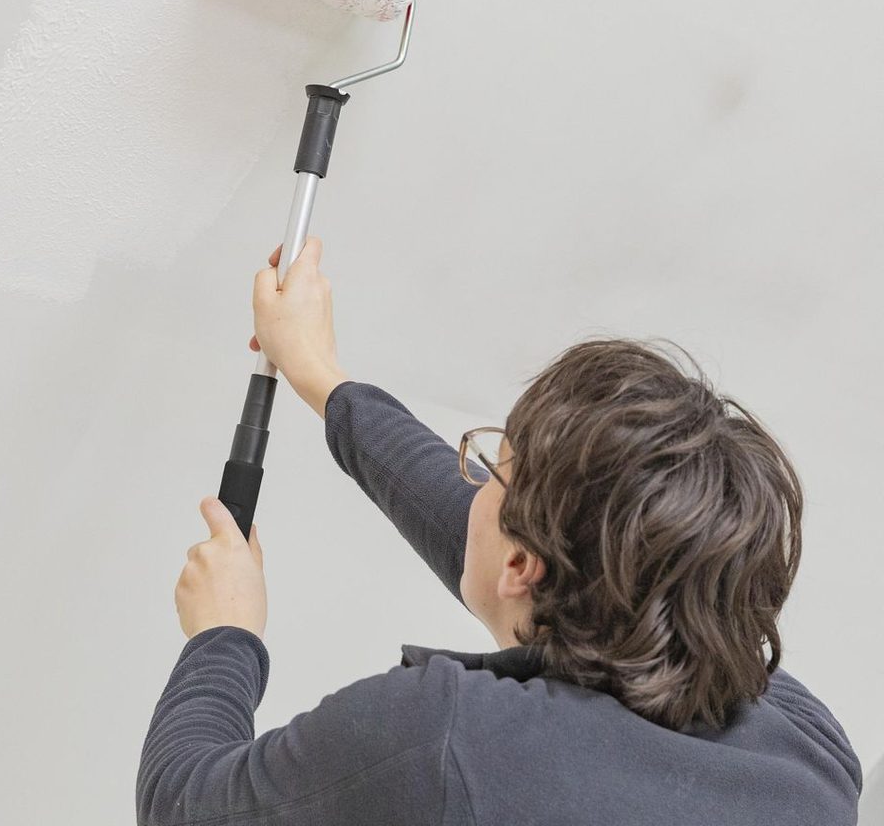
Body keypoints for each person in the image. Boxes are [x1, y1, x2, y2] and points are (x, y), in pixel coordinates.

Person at [136, 236, 862, 825]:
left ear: (522, 566)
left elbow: (181, 806)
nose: (473, 488)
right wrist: (322, 378)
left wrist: (224, 635)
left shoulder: (444, 745)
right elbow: (503, 548)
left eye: (491, 470)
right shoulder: (807, 750)